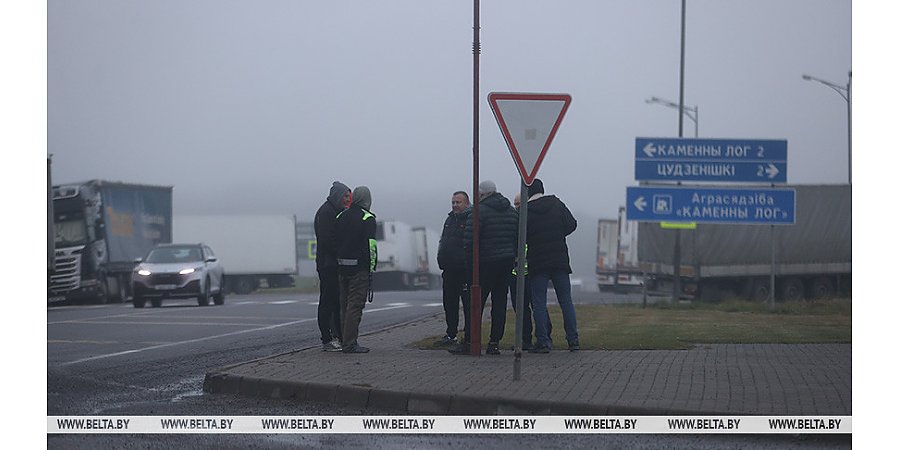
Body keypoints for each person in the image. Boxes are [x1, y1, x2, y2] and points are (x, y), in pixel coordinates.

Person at [450, 180, 518, 355]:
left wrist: (469, 265)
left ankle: (470, 341)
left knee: (476, 304)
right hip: (506, 263)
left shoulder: (478, 212)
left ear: (482, 194)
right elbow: (517, 238)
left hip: (484, 264)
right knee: (500, 303)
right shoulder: (511, 211)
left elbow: (470, 241)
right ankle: (494, 343)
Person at [525, 178, 580, 353]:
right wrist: (558, 234)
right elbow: (572, 224)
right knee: (566, 301)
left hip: (537, 261)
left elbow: (520, 236)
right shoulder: (557, 204)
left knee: (539, 303)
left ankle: (543, 341)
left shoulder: (526, 211)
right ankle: (573, 340)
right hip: (559, 260)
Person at [334, 186, 377, 354]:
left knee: (344, 306)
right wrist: (371, 268)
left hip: (342, 268)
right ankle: (350, 344)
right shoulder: (368, 218)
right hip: (359, 269)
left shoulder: (341, 216)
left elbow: (336, 242)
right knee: (355, 307)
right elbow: (371, 246)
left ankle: (345, 340)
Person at [508, 193, 551, 351]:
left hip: (532, 272)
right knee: (520, 309)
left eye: (519, 204)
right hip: (516, 273)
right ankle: (525, 339)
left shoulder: (532, 219)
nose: (517, 207)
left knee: (538, 306)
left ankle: (546, 336)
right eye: (515, 204)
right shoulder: (513, 220)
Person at [314, 181, 351, 352]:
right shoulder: (326, 212)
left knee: (336, 302)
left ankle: (339, 336)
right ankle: (327, 338)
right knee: (328, 301)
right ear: (337, 195)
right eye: (345, 196)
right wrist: (342, 252)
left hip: (334, 264)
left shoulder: (335, 211)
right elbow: (327, 241)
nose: (347, 200)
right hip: (328, 265)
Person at [434, 191, 471, 347]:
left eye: (458, 202)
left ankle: (469, 335)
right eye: (453, 202)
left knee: (468, 304)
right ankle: (451, 334)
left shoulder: (470, 219)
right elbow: (444, 240)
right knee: (449, 303)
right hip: (448, 269)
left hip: (463, 270)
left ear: (466, 203)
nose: (455, 205)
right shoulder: (449, 219)